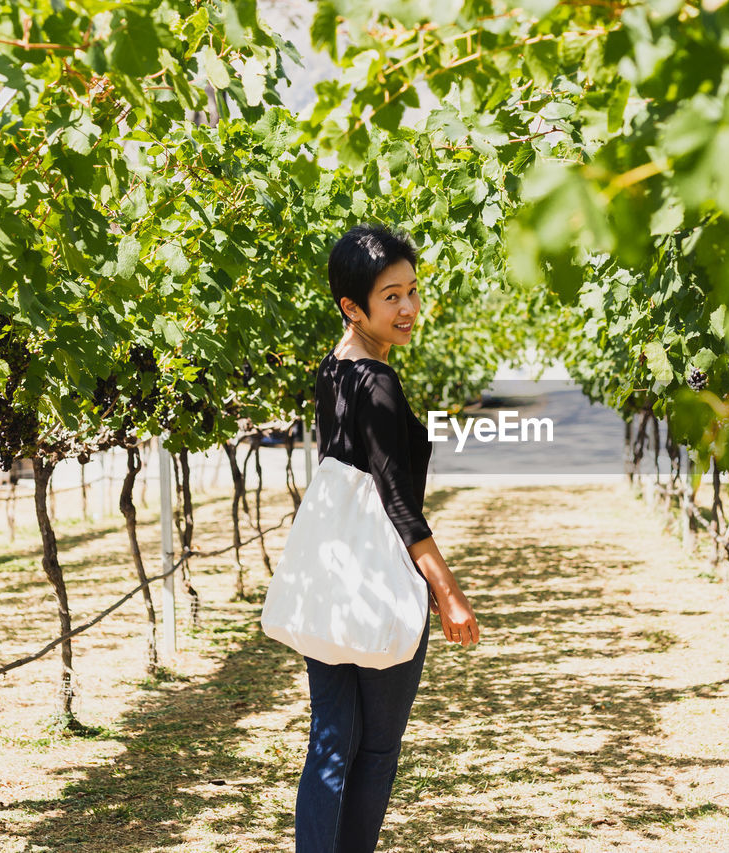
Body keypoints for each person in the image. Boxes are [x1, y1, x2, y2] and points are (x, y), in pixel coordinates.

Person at [295, 223, 480, 852]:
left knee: (330, 738)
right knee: (375, 748)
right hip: (376, 579)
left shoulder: (334, 370)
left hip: (330, 574)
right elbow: (397, 501)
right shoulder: (376, 382)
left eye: (412, 292)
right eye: (390, 296)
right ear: (353, 307)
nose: (407, 308)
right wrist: (447, 591)